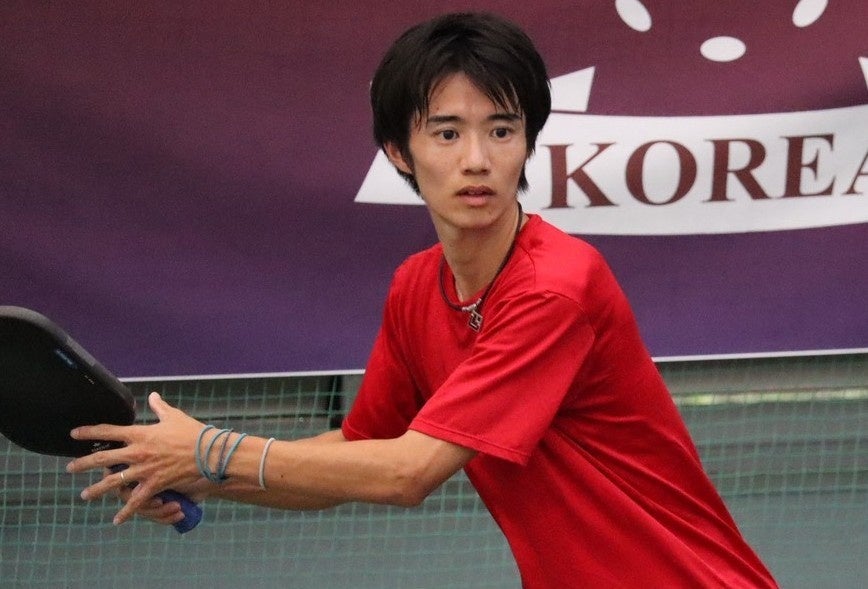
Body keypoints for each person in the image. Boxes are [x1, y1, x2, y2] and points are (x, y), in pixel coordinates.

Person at [67, 12, 778, 588]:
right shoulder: (417, 287)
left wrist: (212, 449)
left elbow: (407, 473)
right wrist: (200, 473)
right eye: (447, 132)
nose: (477, 159)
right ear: (399, 151)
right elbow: (354, 456)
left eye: (502, 130)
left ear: (527, 142)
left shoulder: (556, 287)